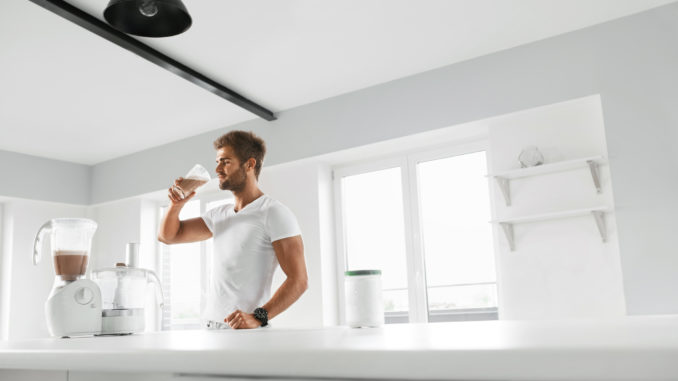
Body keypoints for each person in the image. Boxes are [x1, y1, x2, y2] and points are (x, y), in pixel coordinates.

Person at [157, 130, 308, 329]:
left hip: (245, 329)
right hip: (210, 326)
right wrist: (176, 205)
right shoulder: (218, 214)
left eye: (225, 161)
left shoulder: (273, 212)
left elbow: (299, 280)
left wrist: (259, 317)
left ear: (250, 164)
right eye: (218, 162)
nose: (218, 169)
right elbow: (168, 236)